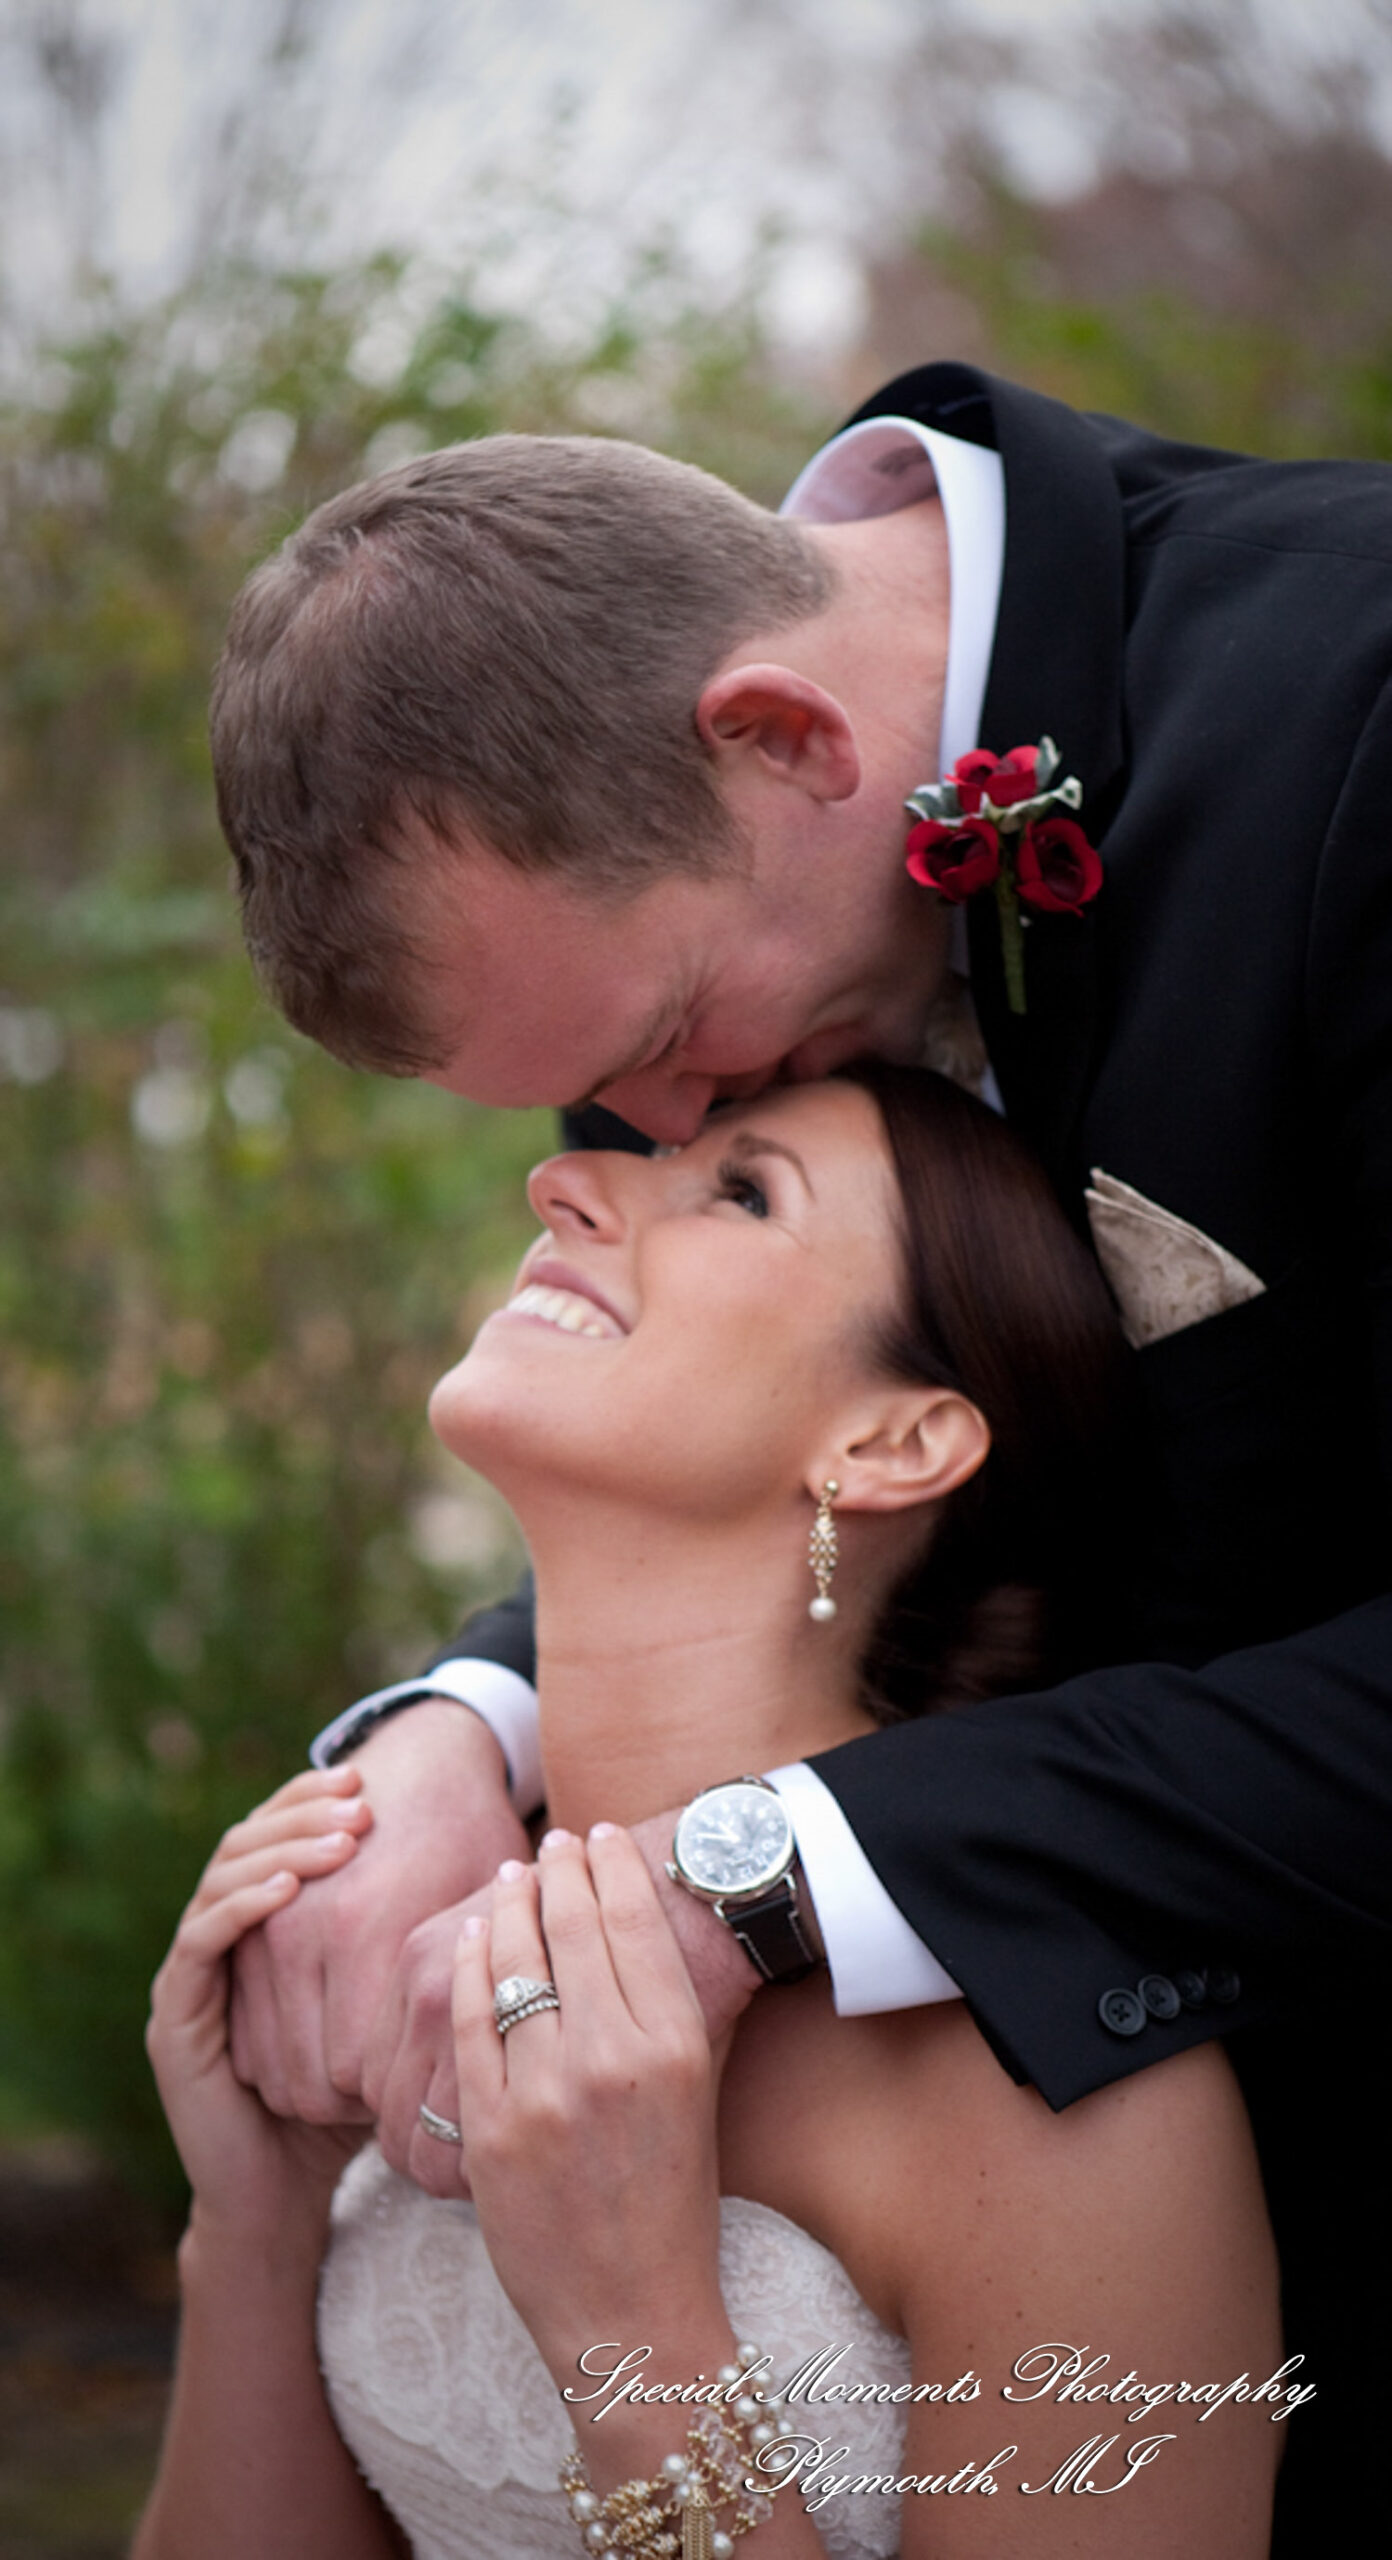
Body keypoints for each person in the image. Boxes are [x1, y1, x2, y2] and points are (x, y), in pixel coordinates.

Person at [209, 365, 1392, 2544]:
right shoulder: (681, 934)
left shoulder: (1360, 711)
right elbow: (775, 1452)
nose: (628, 1159)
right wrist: (468, 1731)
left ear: (784, 739)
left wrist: (756, 1869)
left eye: (676, 1064)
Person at [137, 1068, 1285, 2560]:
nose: (565, 1183)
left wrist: (635, 2332)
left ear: (891, 1446)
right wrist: (255, 2221)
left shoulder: (1069, 2088)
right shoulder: (405, 1934)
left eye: (741, 1192)